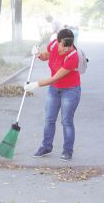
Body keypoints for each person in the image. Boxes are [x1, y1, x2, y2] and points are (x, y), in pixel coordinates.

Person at [24, 28, 81, 161]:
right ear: (58, 41)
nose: (65, 50)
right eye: (63, 46)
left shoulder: (73, 56)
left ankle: (67, 151)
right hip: (54, 89)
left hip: (70, 90)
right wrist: (38, 54)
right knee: (49, 119)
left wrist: (36, 84)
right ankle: (46, 147)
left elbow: (55, 78)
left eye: (69, 47)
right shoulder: (54, 45)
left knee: (66, 121)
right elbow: (46, 56)